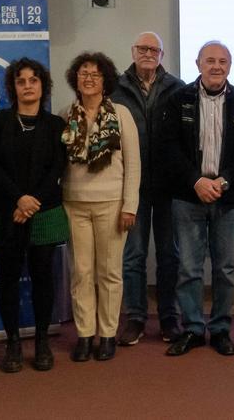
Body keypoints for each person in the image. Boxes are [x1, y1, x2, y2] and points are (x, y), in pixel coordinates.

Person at [163, 41, 234, 357]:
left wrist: (223, 181)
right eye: (210, 60)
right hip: (188, 197)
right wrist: (196, 182)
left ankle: (220, 329)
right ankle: (192, 329)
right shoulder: (178, 100)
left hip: (229, 199)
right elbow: (169, 148)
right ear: (198, 64)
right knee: (189, 267)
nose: (216, 66)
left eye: (222, 61)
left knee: (226, 268)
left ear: (230, 66)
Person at [0, 58, 68, 374]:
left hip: (43, 211)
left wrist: (32, 201)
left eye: (34, 80)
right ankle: (13, 342)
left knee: (44, 278)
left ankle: (42, 340)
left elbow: (57, 168)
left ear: (43, 85)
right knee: (9, 279)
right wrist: (18, 199)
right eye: (21, 80)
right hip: (5, 211)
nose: (28, 85)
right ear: (12, 86)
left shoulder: (56, 125)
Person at [61, 52, 140, 363]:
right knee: (81, 272)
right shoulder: (66, 113)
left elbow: (133, 165)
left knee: (109, 272)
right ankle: (84, 334)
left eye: (95, 73)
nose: (89, 78)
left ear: (106, 80)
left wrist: (129, 205)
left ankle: (107, 334)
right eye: (83, 73)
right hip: (74, 202)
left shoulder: (120, 114)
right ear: (75, 79)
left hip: (112, 203)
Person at [113, 32, 185, 345]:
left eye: (154, 49)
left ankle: (169, 316)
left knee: (170, 255)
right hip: (132, 186)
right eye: (142, 48)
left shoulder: (178, 88)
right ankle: (136, 318)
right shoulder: (115, 88)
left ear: (162, 54)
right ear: (132, 50)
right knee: (134, 255)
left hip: (169, 185)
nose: (148, 53)